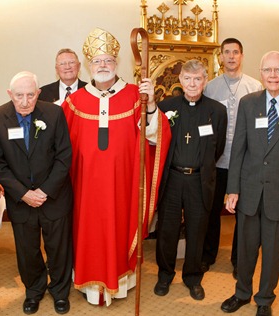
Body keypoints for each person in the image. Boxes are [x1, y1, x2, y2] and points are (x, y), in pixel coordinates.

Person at [61, 27, 170, 306]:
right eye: (97, 61)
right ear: (89, 65)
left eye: (108, 60)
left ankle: (121, 282)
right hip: (86, 188)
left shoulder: (136, 95)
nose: (103, 66)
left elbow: (154, 135)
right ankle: (91, 284)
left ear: (116, 63)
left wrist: (151, 105)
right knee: (89, 232)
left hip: (124, 184)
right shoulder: (74, 102)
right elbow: (61, 147)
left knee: (120, 228)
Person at [220, 51, 279, 316]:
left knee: (273, 253)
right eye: (267, 71)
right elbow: (238, 149)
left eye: (278, 70)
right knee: (245, 250)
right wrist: (232, 189)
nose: (272, 76)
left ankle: (264, 299)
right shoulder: (249, 104)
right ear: (261, 73)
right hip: (249, 192)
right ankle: (241, 293)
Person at [0, 71, 73, 315]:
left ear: (39, 94)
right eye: (19, 96)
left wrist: (44, 191)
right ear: (9, 94)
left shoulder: (54, 114)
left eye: (30, 95)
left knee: (58, 247)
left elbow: (64, 157)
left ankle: (60, 292)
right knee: (27, 250)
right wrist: (24, 193)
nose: (25, 102)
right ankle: (34, 291)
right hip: (20, 199)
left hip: (53, 195)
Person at [154, 59, 227, 301]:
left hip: (199, 180)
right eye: (188, 78)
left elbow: (217, 149)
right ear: (181, 81)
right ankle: (165, 275)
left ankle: (193, 277)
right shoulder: (166, 107)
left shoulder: (217, 111)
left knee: (197, 230)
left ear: (205, 81)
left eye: (198, 79)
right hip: (172, 178)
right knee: (167, 230)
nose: (192, 83)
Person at [202, 38, 263, 278]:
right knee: (211, 210)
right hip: (217, 161)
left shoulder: (254, 86)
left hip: (245, 162)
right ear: (220, 57)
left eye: (235, 52)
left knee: (244, 214)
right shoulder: (211, 87)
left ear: (242, 55)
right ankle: (208, 255)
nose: (230, 56)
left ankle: (240, 261)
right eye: (226, 52)